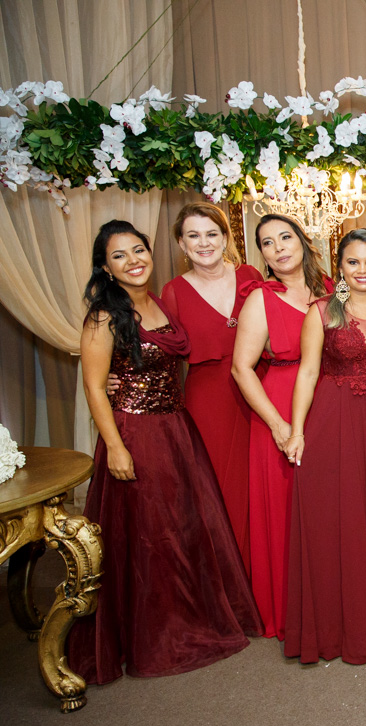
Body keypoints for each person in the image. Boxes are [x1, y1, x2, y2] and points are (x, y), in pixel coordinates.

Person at [69, 220, 260, 684]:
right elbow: (94, 387)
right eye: (119, 256)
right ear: (105, 267)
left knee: (184, 526)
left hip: (176, 426)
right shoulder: (103, 316)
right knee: (151, 535)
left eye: (138, 250)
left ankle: (192, 618)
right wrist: (116, 447)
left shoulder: (156, 302)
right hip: (136, 433)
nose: (133, 261)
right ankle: (158, 634)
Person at [283, 229, 366, 664]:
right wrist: (297, 431)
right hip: (334, 423)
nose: (362, 270)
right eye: (353, 262)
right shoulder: (322, 311)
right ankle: (341, 626)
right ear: (339, 267)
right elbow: (308, 373)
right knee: (340, 520)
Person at [231, 214, 328, 640]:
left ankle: (330, 601)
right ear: (263, 256)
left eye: (285, 237)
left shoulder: (335, 289)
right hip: (280, 406)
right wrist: (276, 424)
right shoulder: (260, 299)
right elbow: (241, 368)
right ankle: (291, 611)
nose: (279, 248)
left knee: (327, 508)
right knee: (286, 513)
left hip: (330, 405)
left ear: (303, 241)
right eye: (267, 243)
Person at [161, 202, 262, 570]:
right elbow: (160, 354)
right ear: (182, 244)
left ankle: (265, 577)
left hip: (260, 395)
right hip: (208, 405)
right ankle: (229, 580)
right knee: (218, 491)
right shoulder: (173, 292)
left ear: (224, 238)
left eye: (211, 234)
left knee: (261, 486)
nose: (204, 243)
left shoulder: (251, 276)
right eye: (193, 236)